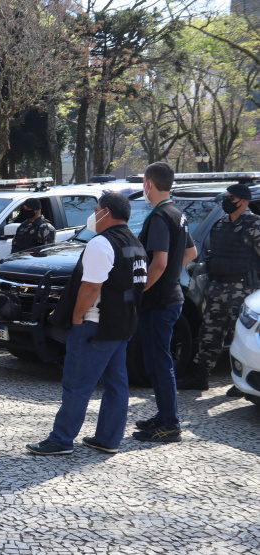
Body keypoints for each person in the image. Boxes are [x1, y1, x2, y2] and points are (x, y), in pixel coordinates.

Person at [26, 192, 147, 455]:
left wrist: (77, 317)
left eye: (96, 209)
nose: (93, 214)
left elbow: (91, 287)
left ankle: (61, 440)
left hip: (96, 325)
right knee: (116, 385)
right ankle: (108, 438)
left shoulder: (102, 243)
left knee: (77, 384)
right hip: (122, 324)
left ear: (106, 212)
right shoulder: (136, 244)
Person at [133, 162, 198, 443]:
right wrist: (171, 273)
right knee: (158, 362)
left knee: (159, 364)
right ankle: (163, 416)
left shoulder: (160, 215)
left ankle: (170, 424)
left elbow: (157, 262)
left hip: (159, 302)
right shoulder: (177, 213)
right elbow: (191, 252)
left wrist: (142, 289)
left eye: (143, 183)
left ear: (148, 184)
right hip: (171, 297)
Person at [180, 183, 260, 393]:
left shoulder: (254, 225)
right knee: (209, 332)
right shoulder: (221, 223)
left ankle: (240, 383)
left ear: (242, 201)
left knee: (239, 337)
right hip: (218, 286)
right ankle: (200, 376)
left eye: (229, 197)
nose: (226, 201)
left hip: (242, 289)